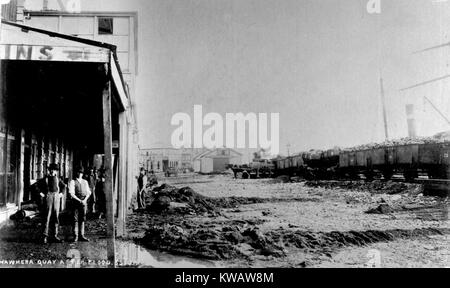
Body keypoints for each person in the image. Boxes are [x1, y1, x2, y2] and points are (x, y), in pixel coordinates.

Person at [37, 163, 66, 244]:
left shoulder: (58, 179)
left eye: (54, 170)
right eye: (51, 170)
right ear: (49, 170)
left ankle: (54, 236)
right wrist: (41, 193)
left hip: (56, 197)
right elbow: (36, 186)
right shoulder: (45, 179)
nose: (53, 171)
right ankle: (44, 236)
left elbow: (63, 186)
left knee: (56, 217)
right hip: (48, 197)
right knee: (47, 217)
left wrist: (61, 194)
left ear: (56, 171)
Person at [68, 167, 92, 242]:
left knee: (82, 218)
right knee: (75, 218)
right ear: (76, 173)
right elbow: (71, 193)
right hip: (75, 202)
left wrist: (84, 200)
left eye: (81, 173)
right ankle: (75, 235)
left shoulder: (85, 182)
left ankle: (82, 235)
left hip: (84, 202)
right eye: (79, 172)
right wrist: (79, 200)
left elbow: (88, 192)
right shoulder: (73, 182)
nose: (80, 174)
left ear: (82, 174)